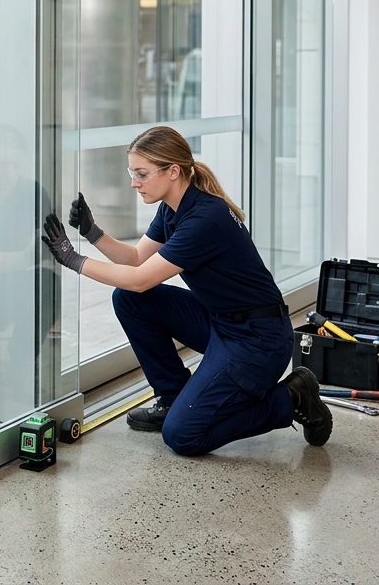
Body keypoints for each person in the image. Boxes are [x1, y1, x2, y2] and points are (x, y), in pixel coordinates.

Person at [42, 125, 331, 457]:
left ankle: (291, 397)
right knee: (129, 300)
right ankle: (173, 397)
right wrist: (92, 233)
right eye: (132, 173)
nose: (134, 183)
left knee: (183, 435)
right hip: (221, 322)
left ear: (173, 171)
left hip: (257, 340)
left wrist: (74, 259)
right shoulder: (173, 207)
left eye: (141, 174)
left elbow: (139, 278)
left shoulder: (205, 219)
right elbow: (137, 259)